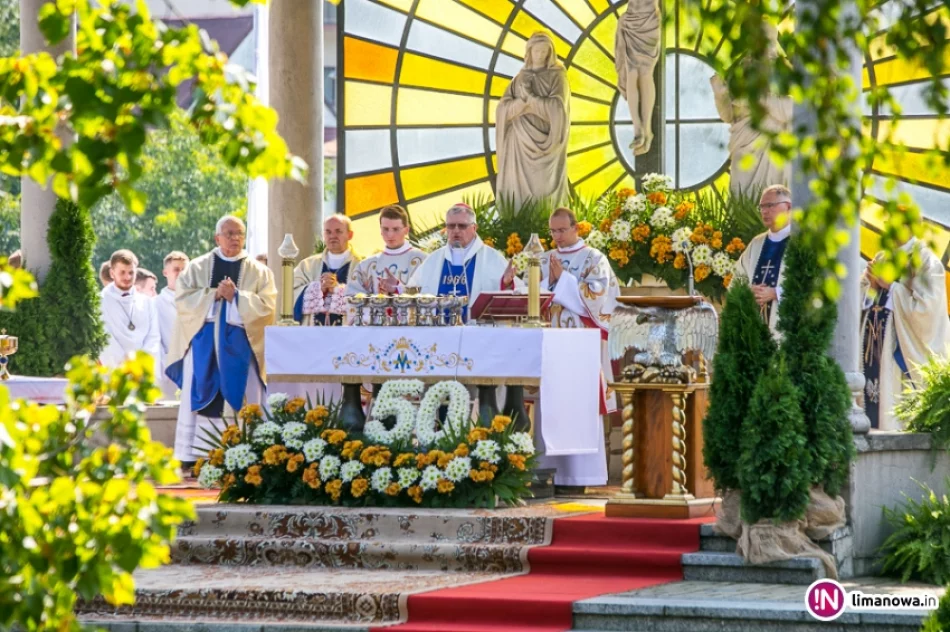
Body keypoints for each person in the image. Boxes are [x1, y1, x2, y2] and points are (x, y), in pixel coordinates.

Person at [166, 215, 276, 469]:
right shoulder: (197, 267)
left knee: (244, 395)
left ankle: (246, 452)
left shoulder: (260, 272)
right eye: (229, 234)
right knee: (203, 392)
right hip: (204, 345)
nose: (235, 238)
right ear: (217, 238)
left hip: (242, 346)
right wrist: (214, 294)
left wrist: (237, 297)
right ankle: (198, 454)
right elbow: (183, 300)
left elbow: (267, 308)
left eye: (239, 234)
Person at [532, 208, 620, 488]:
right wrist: (512, 282)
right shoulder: (543, 259)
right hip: (549, 346)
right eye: (552, 231)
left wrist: (563, 281)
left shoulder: (595, 258)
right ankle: (546, 473)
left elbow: (599, 298)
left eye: (562, 230)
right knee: (549, 407)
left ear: (576, 228)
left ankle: (581, 476)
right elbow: (530, 297)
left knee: (579, 407)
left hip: (581, 348)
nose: (557, 236)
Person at [862, 237, 950, 430]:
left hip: (899, 359)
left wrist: (891, 287)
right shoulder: (881, 258)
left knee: (895, 422)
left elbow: (927, 312)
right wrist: (871, 287)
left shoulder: (926, 260)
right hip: (872, 351)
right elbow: (858, 301)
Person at [710, 23, 793, 197]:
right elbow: (728, 116)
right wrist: (720, 96)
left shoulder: (783, 72)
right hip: (744, 142)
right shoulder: (739, 72)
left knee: (773, 197)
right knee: (742, 198)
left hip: (773, 143)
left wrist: (758, 100)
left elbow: (792, 110)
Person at [408, 203, 522, 322]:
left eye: (462, 226)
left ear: (474, 228)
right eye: (451, 226)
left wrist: (507, 284)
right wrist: (398, 288)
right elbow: (411, 290)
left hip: (476, 330)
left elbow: (516, 293)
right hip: (438, 329)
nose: (456, 230)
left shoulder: (492, 258)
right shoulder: (433, 259)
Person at [495, 32, 570, 210]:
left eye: (544, 51)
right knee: (517, 195)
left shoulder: (557, 76)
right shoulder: (519, 78)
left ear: (550, 53)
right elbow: (502, 109)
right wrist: (521, 104)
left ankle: (550, 224)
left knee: (543, 192)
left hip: (546, 147)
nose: (540, 55)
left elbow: (558, 109)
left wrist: (533, 100)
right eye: (536, 51)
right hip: (518, 143)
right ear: (529, 52)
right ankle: (516, 223)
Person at [734, 184, 792, 336]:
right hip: (754, 330)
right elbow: (737, 277)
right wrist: (748, 290)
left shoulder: (801, 242)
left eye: (770, 205)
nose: (764, 211)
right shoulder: (756, 243)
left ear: (788, 207)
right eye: (762, 207)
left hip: (787, 330)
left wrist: (776, 293)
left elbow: (813, 284)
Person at [99, 249, 161, 372]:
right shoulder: (100, 302)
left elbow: (153, 336)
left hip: (142, 370)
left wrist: (141, 363)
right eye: (122, 272)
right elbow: (104, 338)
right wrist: (124, 365)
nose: (127, 277)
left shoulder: (147, 302)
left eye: (131, 272)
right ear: (112, 273)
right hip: (115, 370)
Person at [294, 215, 362, 326]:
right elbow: (291, 295)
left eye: (338, 231)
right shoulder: (307, 265)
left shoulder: (363, 266)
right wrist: (316, 289)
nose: (332, 236)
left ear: (350, 235)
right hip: (312, 333)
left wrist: (338, 291)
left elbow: (370, 300)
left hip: (349, 334)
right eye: (328, 232)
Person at [347, 204, 426, 297]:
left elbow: (431, 294)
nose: (390, 234)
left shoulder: (423, 260)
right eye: (385, 229)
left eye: (396, 229)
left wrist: (398, 288)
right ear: (380, 230)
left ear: (406, 230)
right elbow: (352, 297)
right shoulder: (367, 265)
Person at [615, 0, 661, 156]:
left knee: (645, 74)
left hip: (649, 21)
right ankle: (638, 129)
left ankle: (646, 129)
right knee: (632, 74)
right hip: (631, 20)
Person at [156, 251, 189, 401]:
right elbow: (154, 339)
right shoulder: (155, 304)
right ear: (165, 272)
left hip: (193, 366)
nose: (181, 274)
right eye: (176, 269)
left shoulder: (197, 301)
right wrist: (166, 364)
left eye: (184, 270)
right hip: (167, 369)